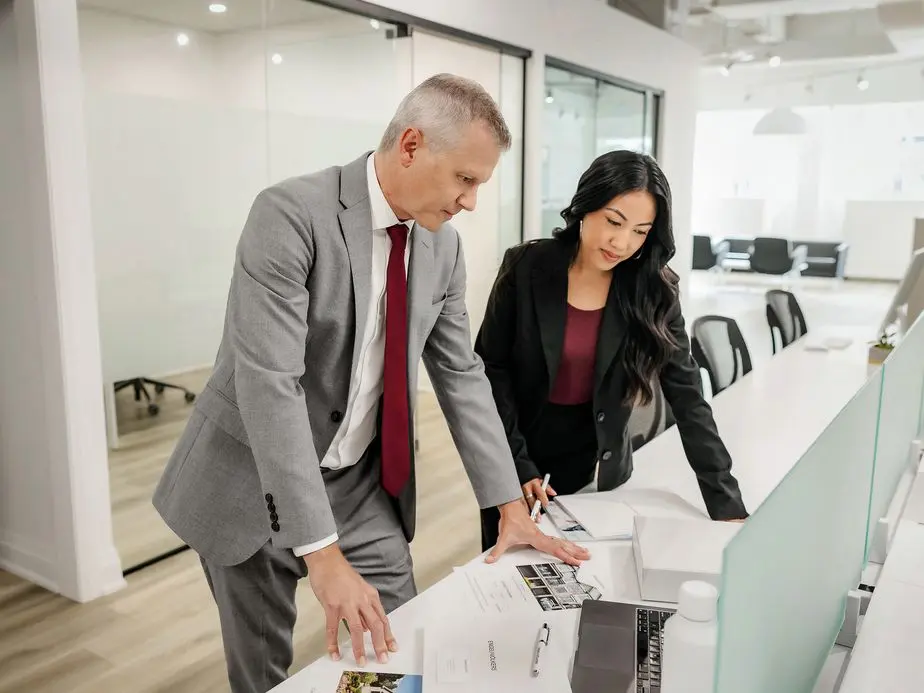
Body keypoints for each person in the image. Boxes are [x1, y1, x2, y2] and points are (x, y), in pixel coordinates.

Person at [152, 74, 589, 693]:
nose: (470, 202)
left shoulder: (444, 250)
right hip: (251, 479)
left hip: (359, 483)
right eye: (465, 180)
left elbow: (461, 375)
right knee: (263, 673)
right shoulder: (289, 214)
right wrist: (321, 552)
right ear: (411, 145)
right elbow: (269, 385)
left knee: (399, 638)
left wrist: (508, 507)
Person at [474, 149, 748, 551]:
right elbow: (491, 368)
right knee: (508, 582)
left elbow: (687, 395)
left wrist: (727, 504)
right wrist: (517, 464)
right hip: (516, 454)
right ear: (585, 207)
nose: (622, 243)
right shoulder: (527, 267)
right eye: (614, 222)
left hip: (598, 468)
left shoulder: (654, 289)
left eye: (640, 231)